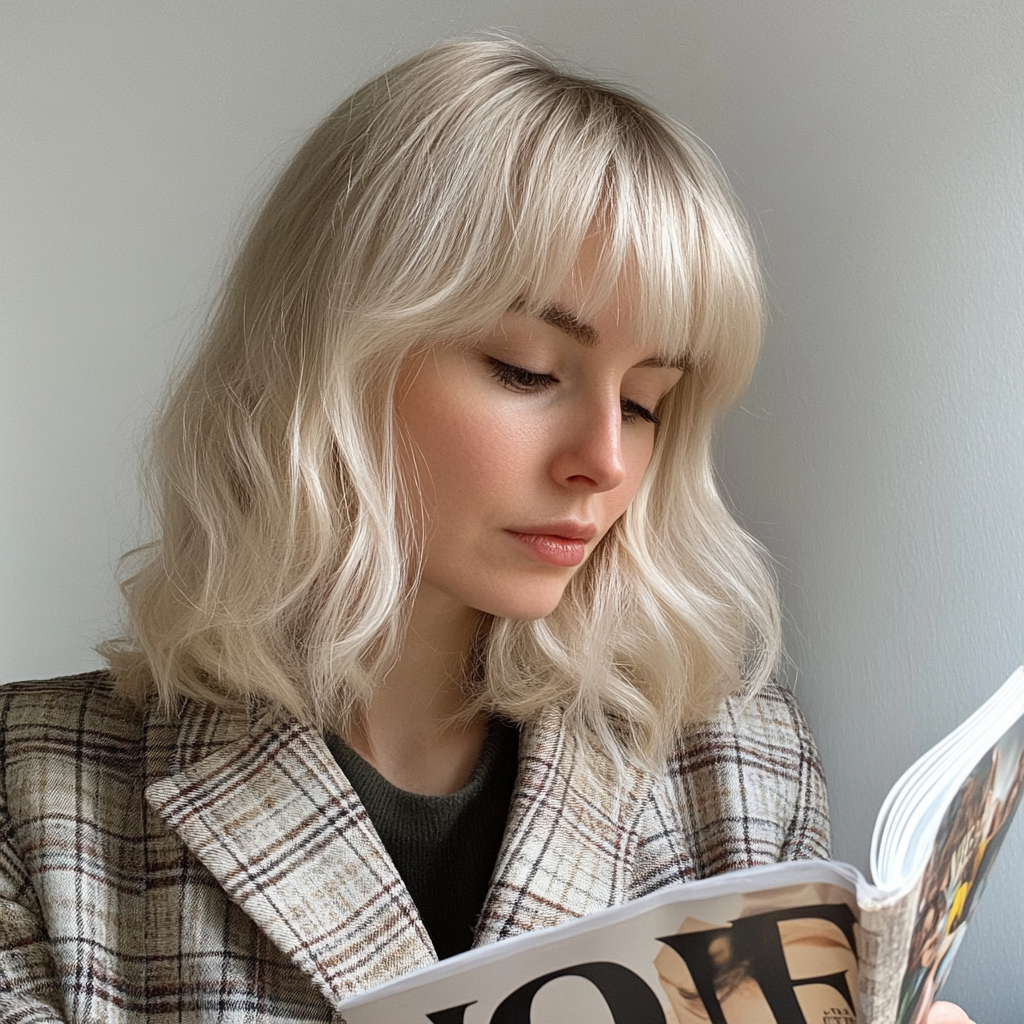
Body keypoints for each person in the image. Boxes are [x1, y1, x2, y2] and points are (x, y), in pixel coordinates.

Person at [0, 38, 974, 1024]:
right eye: (526, 368)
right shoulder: (36, 799)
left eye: (645, 403)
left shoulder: (737, 770)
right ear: (330, 357)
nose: (602, 458)